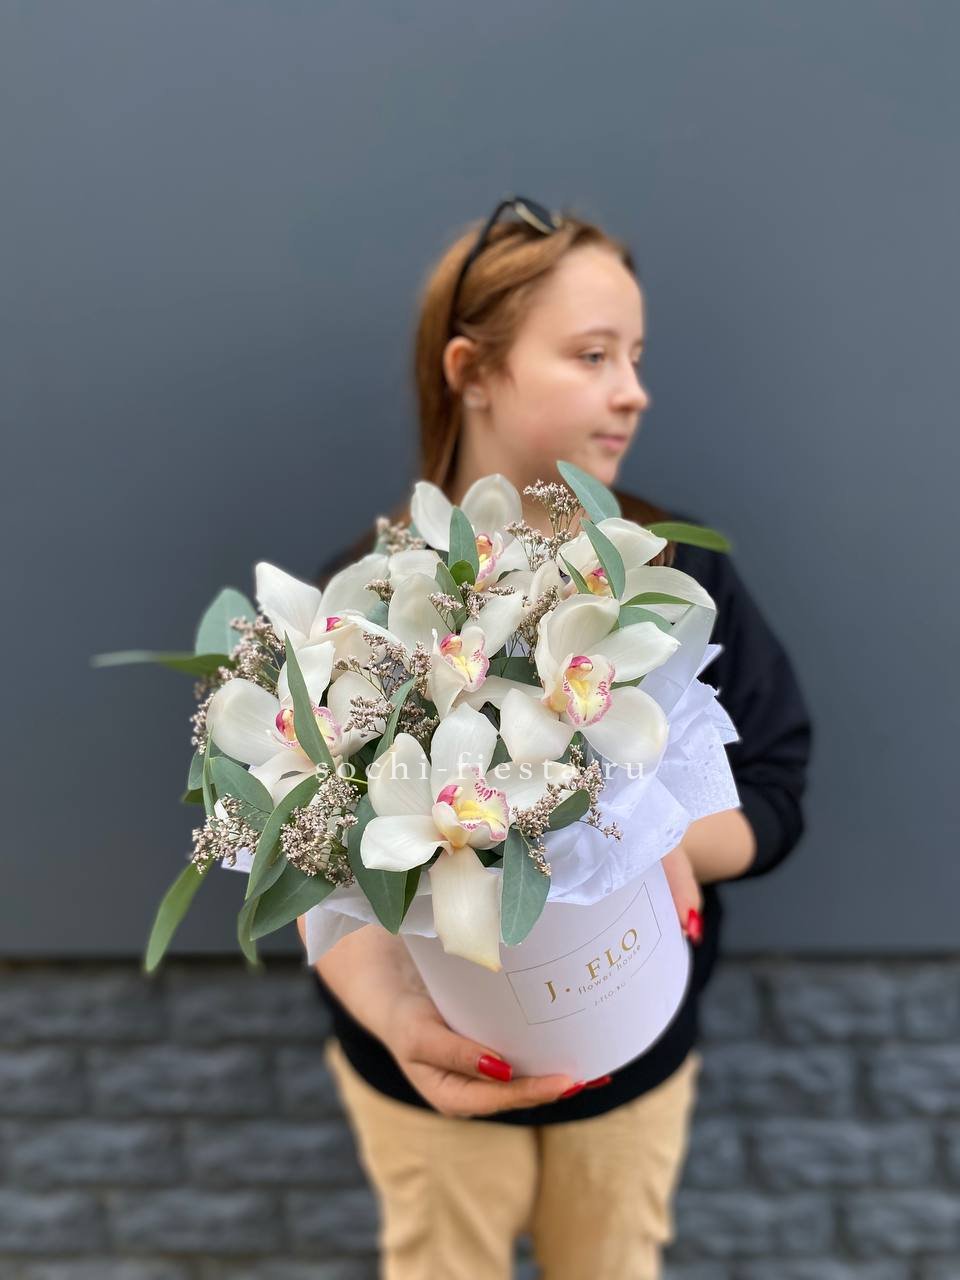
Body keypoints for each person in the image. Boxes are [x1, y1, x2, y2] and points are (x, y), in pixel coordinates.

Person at [294, 196, 812, 1279]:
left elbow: (774, 786)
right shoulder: (362, 606)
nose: (633, 390)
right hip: (427, 1073)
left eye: (636, 357)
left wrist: (656, 833)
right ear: (472, 370)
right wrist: (391, 1015)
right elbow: (311, 850)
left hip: (631, 1061)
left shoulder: (670, 576)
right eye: (591, 354)